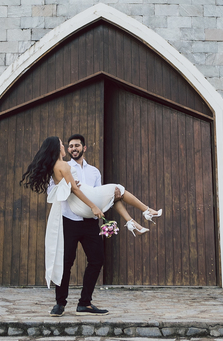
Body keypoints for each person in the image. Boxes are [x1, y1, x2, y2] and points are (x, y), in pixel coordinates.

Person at [20, 135, 163, 317]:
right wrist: (69, 186)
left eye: (76, 145)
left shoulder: (94, 172)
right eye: (68, 145)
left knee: (97, 259)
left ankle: (85, 303)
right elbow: (52, 193)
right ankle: (60, 304)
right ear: (62, 149)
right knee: (65, 264)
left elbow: (98, 194)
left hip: (88, 222)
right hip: (69, 220)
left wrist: (106, 201)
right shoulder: (61, 167)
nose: (71, 148)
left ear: (83, 148)